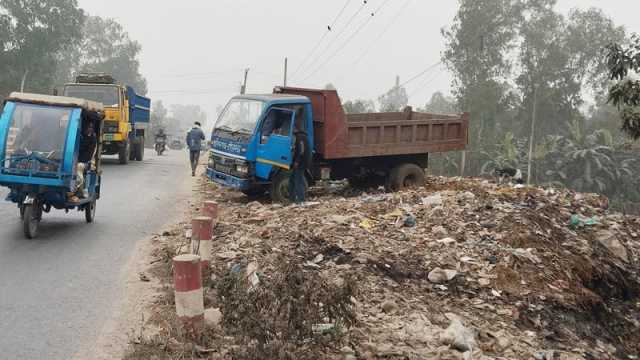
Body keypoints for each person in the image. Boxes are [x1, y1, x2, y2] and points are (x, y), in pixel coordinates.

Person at [69, 121, 97, 203]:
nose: (89, 129)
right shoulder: (79, 136)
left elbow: (90, 154)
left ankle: (78, 189)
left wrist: (78, 160)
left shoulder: (93, 139)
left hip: (86, 161)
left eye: (91, 128)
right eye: (88, 127)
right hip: (75, 159)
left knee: (79, 167)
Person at [289, 124, 311, 204]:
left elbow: (301, 151)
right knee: (292, 180)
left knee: (298, 181)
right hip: (301, 162)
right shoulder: (301, 136)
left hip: (301, 163)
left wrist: (297, 161)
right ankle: (292, 199)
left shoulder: (300, 137)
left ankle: (301, 200)